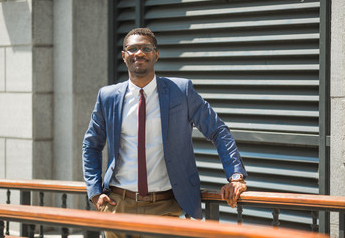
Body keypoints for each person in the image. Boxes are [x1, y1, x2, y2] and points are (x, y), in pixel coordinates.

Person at [82, 27, 247, 237]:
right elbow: (91, 145)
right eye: (132, 49)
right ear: (124, 56)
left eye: (146, 48)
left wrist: (235, 175)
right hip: (118, 206)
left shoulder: (182, 91)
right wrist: (95, 191)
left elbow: (218, 131)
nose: (139, 53)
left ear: (156, 54)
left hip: (165, 207)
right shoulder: (108, 96)